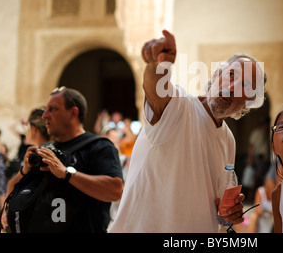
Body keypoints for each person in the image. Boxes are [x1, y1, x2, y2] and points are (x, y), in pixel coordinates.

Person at [109, 30, 266, 232]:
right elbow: (156, 89)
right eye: (231, 75)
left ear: (248, 104)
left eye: (245, 85)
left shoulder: (228, 141)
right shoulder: (179, 107)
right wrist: (158, 65)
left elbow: (216, 208)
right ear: (217, 74)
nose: (232, 87)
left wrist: (228, 214)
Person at [3, 87, 123, 232]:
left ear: (73, 113)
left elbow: (115, 191)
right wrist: (24, 171)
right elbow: (11, 192)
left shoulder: (99, 147)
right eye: (46, 109)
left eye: (53, 109)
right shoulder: (45, 149)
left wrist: (66, 174)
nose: (45, 116)